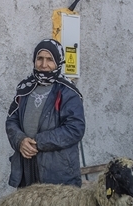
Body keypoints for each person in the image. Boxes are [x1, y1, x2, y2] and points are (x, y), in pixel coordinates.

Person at [6, 39, 85, 187]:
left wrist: (39, 142)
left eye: (50, 59)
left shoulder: (68, 92)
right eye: (40, 58)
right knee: (28, 202)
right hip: (27, 167)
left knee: (54, 203)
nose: (43, 64)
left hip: (57, 171)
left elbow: (75, 129)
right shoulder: (25, 88)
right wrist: (20, 140)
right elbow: (12, 120)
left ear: (58, 62)